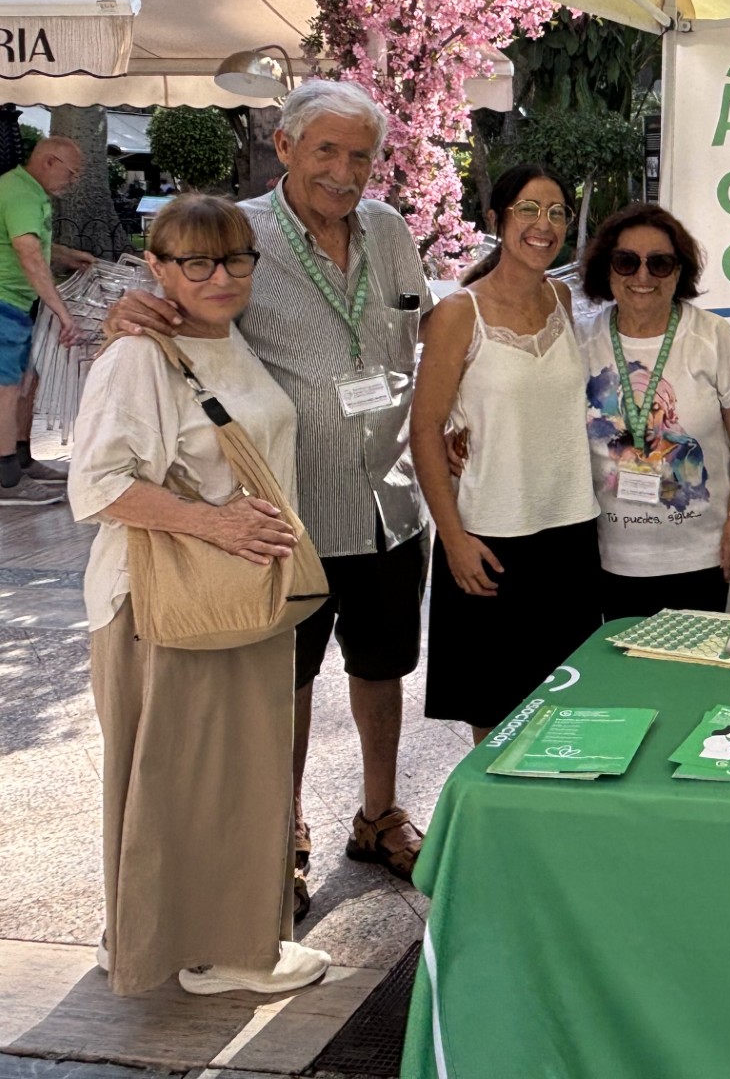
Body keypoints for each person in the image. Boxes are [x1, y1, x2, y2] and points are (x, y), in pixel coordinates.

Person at [108, 81, 431, 910]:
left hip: (391, 502)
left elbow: (424, 333)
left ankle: (379, 814)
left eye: (360, 155)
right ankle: (279, 831)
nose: (344, 171)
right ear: (284, 147)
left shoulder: (390, 230)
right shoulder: (240, 237)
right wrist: (126, 313)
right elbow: (174, 308)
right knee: (283, 682)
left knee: (383, 668)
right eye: (326, 150)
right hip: (289, 512)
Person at [68, 194, 332, 996]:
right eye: (196, 262)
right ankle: (220, 955)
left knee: (212, 782)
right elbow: (98, 484)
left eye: (234, 259)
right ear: (156, 266)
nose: (220, 277)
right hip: (169, 601)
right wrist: (214, 525)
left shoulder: (226, 337)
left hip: (235, 594)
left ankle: (159, 938)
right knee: (187, 781)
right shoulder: (140, 355)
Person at [413, 164, 601, 742]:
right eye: (528, 209)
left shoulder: (562, 299)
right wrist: (453, 539)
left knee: (567, 712)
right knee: (496, 721)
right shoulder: (458, 313)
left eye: (556, 212)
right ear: (497, 219)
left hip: (570, 531)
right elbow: (424, 429)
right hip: (490, 538)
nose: (544, 224)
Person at [578, 202, 730, 618]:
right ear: (607, 270)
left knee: (699, 660)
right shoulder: (581, 341)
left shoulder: (712, 336)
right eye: (626, 262)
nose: (643, 276)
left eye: (659, 263)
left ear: (679, 272)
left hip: (701, 556)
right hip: (609, 558)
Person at [1, 135, 92, 505]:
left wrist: (68, 256)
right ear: (49, 162)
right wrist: (63, 312)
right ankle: (7, 479)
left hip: (15, 304)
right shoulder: (19, 193)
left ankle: (22, 457)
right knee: (6, 389)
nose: (72, 182)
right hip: (4, 302)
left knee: (27, 381)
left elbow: (34, 244)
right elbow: (29, 255)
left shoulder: (26, 191)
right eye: (71, 173)